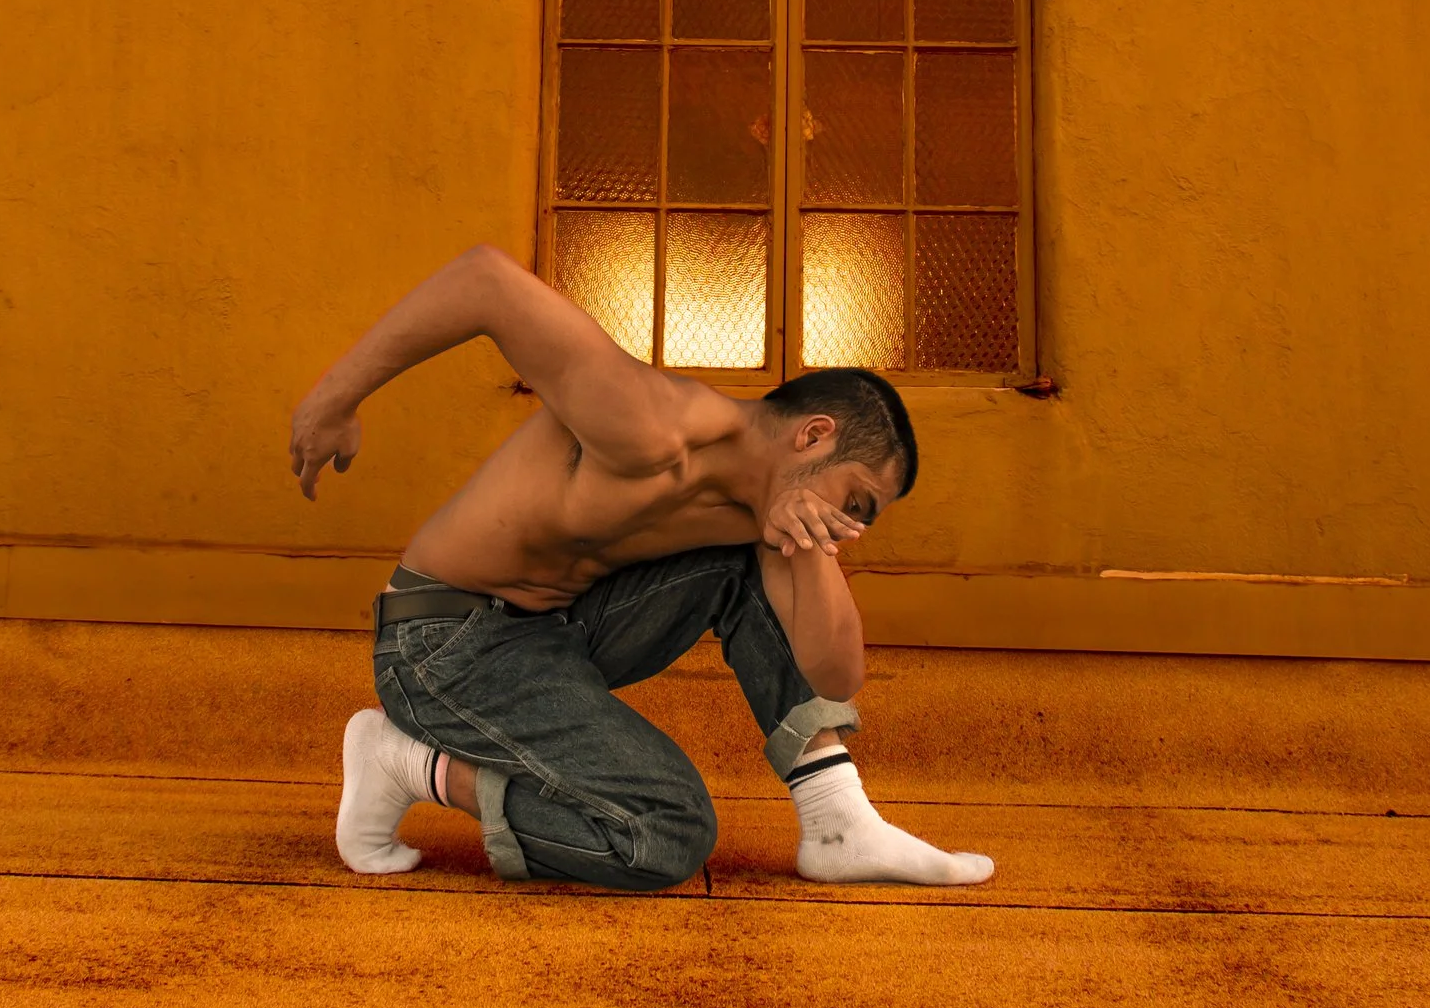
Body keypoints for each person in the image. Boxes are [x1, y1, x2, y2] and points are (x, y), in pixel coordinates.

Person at [289, 244, 995, 891]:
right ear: (813, 436)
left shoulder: (757, 518)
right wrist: (334, 399)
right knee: (666, 832)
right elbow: (485, 281)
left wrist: (808, 548)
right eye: (857, 501)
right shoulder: (651, 426)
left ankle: (837, 820)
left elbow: (836, 678)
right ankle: (410, 764)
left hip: (554, 631)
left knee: (745, 563)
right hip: (443, 643)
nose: (852, 526)